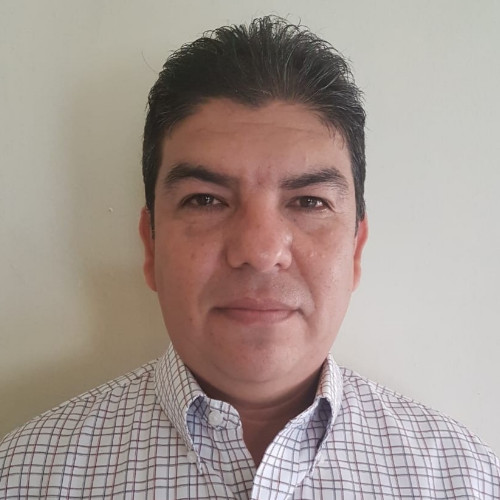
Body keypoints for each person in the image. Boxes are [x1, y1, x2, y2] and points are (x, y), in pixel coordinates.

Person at [0, 15, 499, 499]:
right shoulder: (23, 478)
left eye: (309, 202)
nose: (260, 252)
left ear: (355, 250)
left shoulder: (467, 481)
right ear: (150, 246)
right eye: (205, 200)